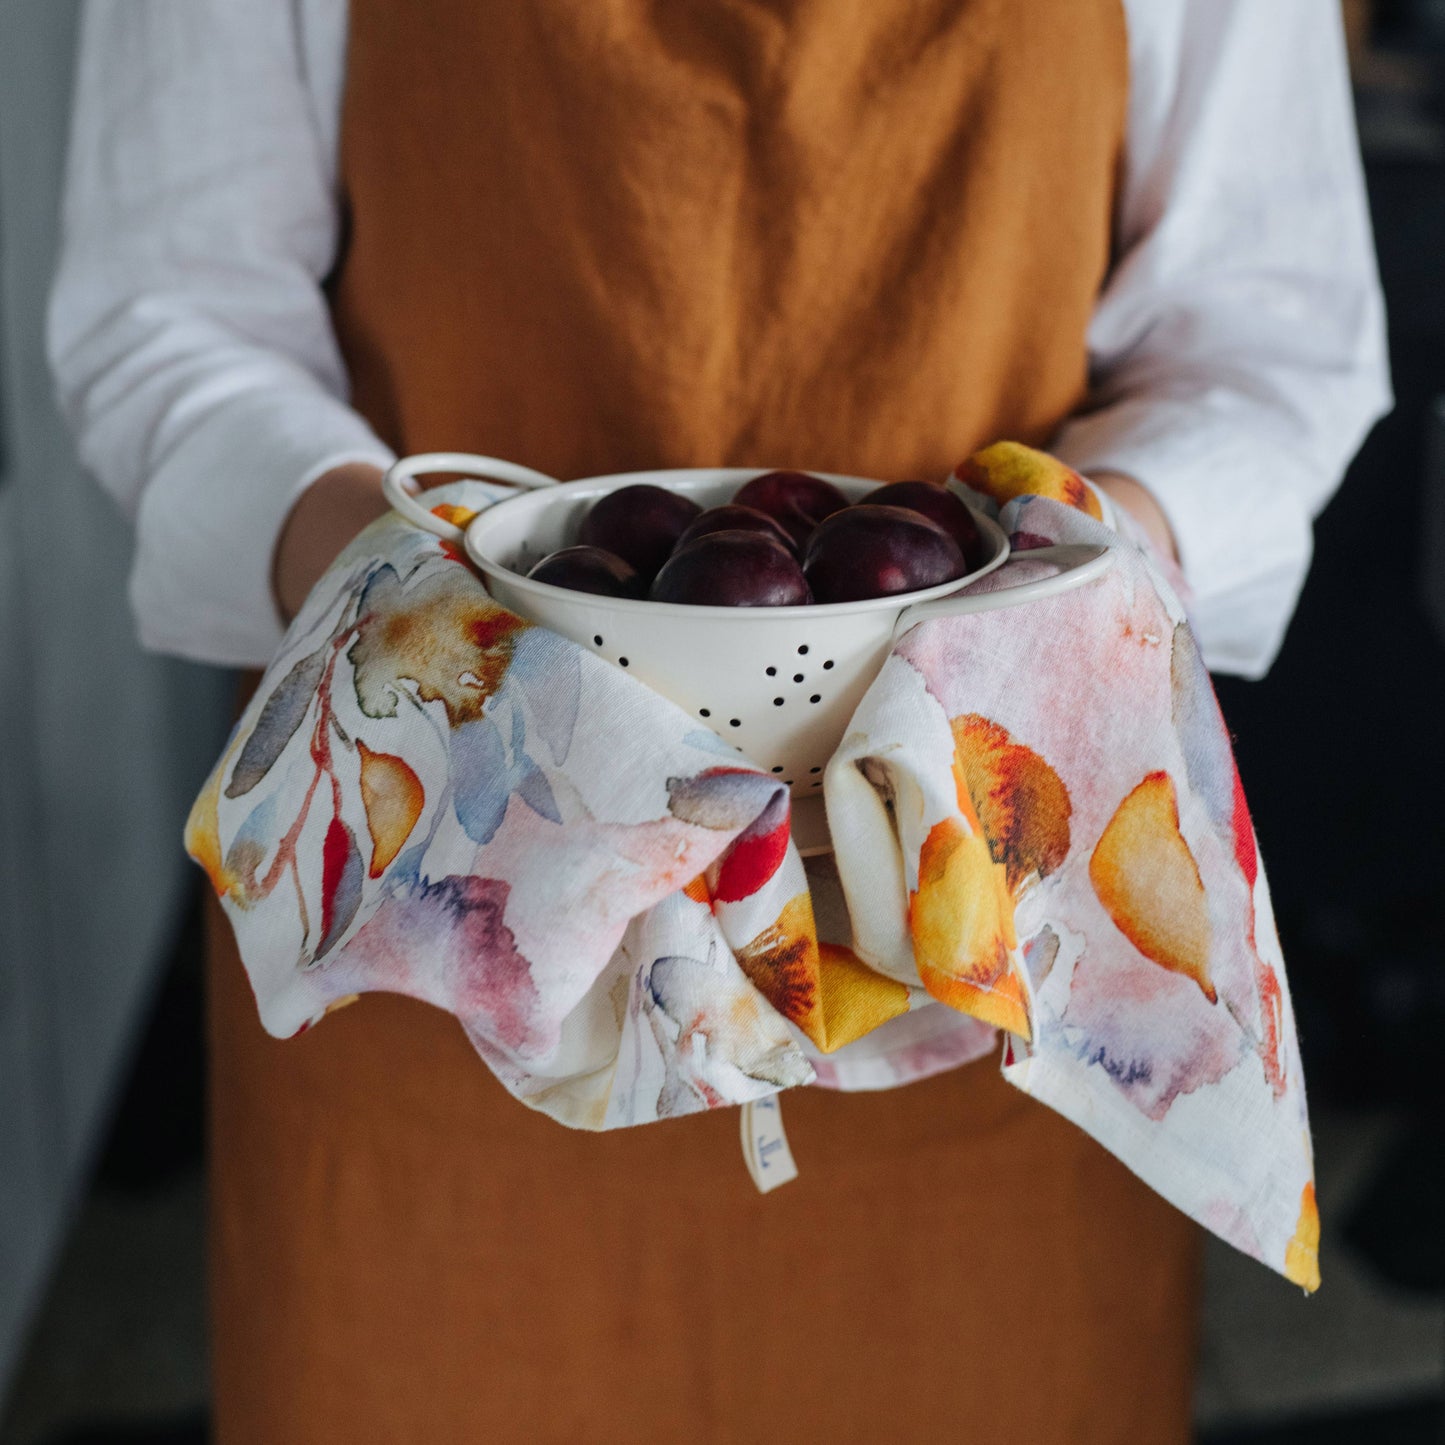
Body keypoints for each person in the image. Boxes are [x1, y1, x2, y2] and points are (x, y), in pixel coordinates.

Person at [49, 2, 1389, 1441]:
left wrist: (1061, 590)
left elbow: (1267, 329)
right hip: (441, 915)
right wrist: (429, 615)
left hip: (976, 961)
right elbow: (171, 303)